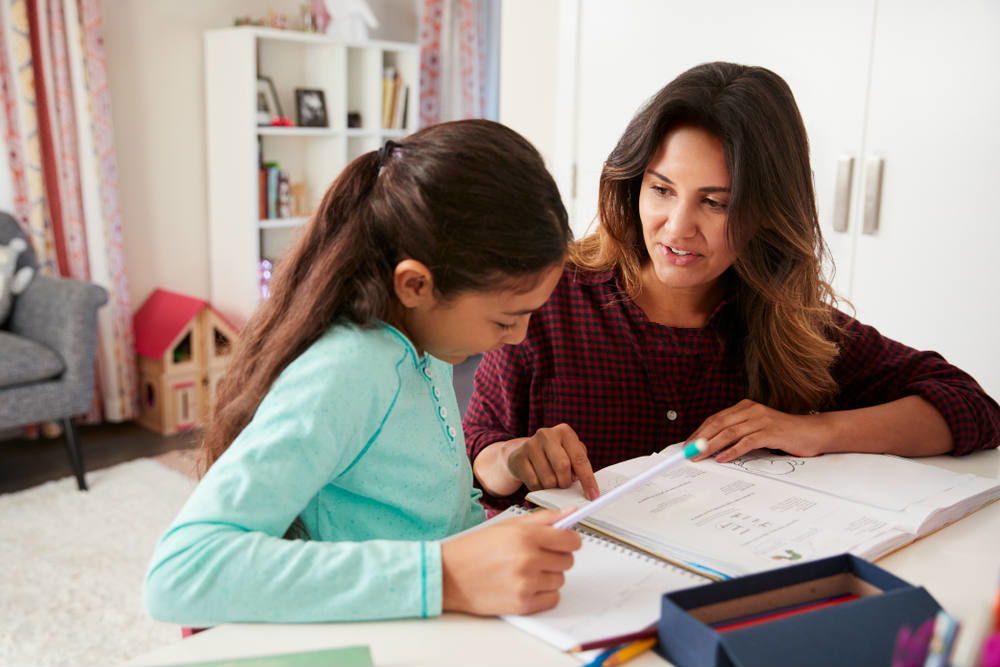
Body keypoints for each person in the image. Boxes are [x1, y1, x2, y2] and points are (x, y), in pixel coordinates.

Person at [464, 62, 1000, 512]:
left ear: (767, 212)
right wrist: (513, 459)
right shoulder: (550, 298)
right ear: (632, 186)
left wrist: (815, 431)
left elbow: (972, 409)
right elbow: (472, 452)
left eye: (715, 202)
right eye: (662, 189)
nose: (677, 227)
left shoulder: (790, 324)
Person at [144, 120, 581, 626]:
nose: (520, 337)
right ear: (415, 284)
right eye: (506, 319)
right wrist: (443, 575)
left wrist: (508, 464)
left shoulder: (425, 340)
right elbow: (180, 572)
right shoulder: (349, 368)